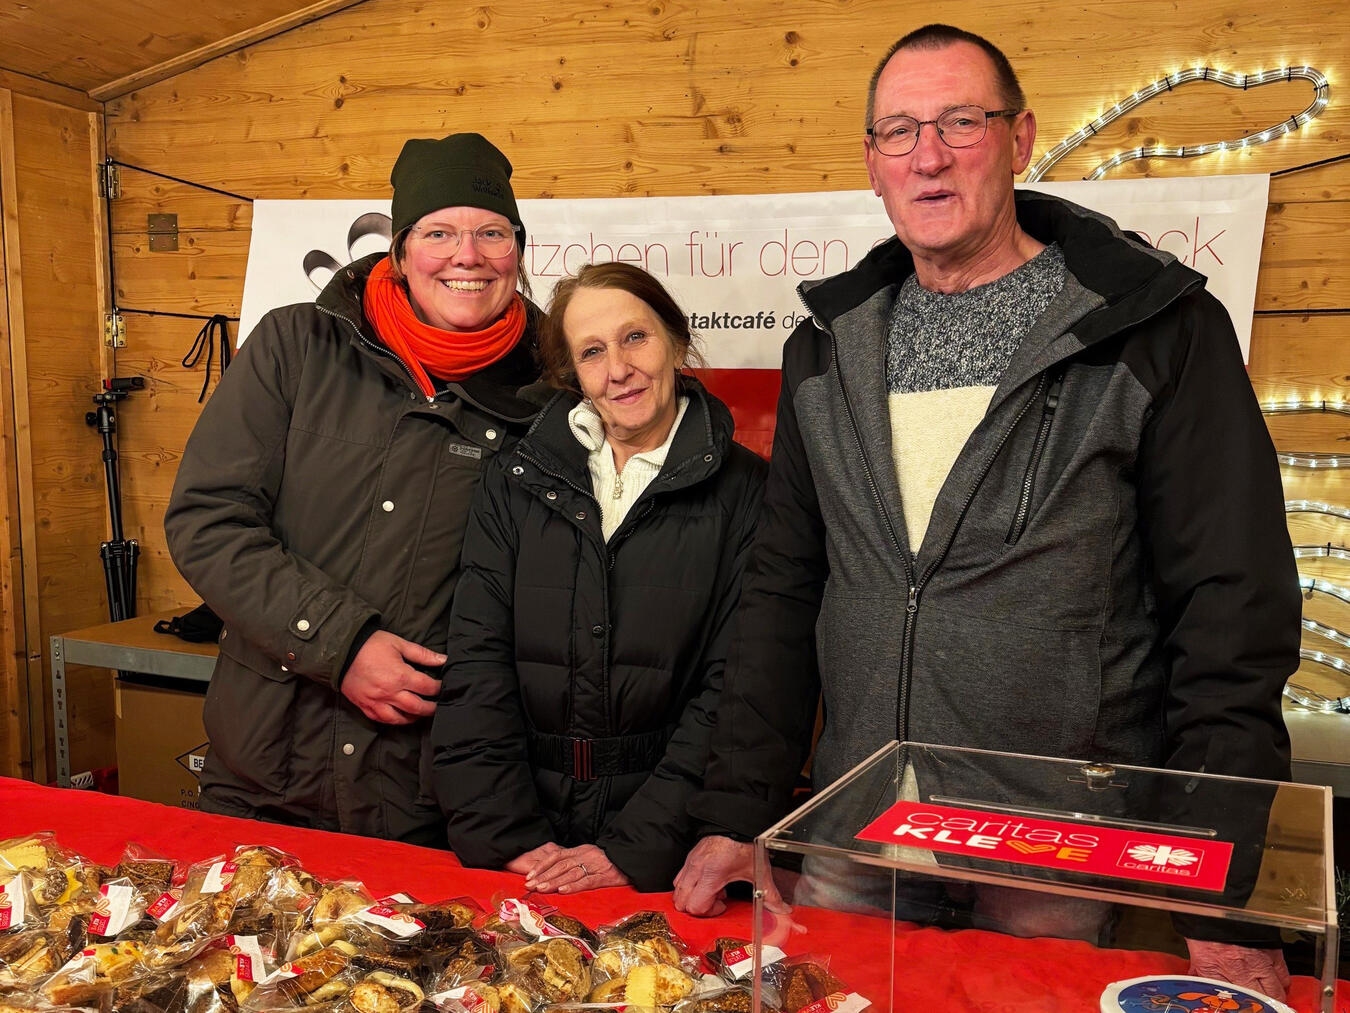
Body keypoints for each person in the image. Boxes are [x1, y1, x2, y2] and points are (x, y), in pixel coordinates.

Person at [673, 24, 1300, 999]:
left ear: (1019, 138)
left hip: (1061, 852)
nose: (928, 154)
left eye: (960, 121)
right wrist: (736, 810)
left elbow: (1232, 618)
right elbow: (783, 594)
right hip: (857, 835)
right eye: (899, 131)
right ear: (872, 164)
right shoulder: (828, 352)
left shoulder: (1155, 332)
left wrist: (1223, 884)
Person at [164, 132, 541, 844]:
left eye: (493, 231)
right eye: (439, 232)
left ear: (517, 251)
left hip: (438, 804)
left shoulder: (553, 388)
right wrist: (340, 643)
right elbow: (207, 521)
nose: (468, 255)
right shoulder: (295, 347)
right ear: (400, 252)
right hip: (262, 781)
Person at [429, 262, 767, 892]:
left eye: (635, 338)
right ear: (572, 374)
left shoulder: (749, 494)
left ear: (675, 339)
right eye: (592, 352)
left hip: (667, 856)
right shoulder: (514, 480)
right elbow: (476, 663)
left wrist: (636, 850)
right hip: (520, 847)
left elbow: (735, 694)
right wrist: (508, 836)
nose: (618, 370)